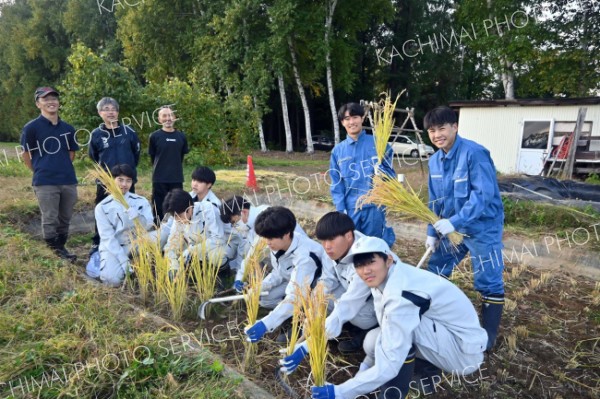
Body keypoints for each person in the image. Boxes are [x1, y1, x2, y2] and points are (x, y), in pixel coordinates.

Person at [309, 236, 488, 399]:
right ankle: (425, 368)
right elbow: (349, 306)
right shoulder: (387, 276)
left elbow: (389, 362)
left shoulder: (401, 295)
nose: (365, 271)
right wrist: (363, 371)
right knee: (373, 340)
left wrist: (341, 392)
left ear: (388, 259)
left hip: (464, 353)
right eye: (359, 265)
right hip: (445, 335)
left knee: (397, 337)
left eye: (371, 262)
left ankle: (393, 393)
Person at [423, 106, 505, 351]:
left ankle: (489, 337)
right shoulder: (435, 161)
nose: (437, 135)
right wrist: (431, 231)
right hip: (452, 229)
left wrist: (454, 222)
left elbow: (483, 195)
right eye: (431, 131)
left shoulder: (474, 153)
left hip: (483, 227)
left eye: (442, 128)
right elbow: (435, 199)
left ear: (455, 127)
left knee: (488, 279)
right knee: (436, 268)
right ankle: (440, 318)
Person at [244, 207, 328, 343]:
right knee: (265, 298)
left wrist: (266, 323)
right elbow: (279, 272)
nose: (267, 242)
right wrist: (262, 286)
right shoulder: (277, 245)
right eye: (265, 237)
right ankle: (287, 313)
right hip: (294, 283)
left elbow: (296, 295)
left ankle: (302, 321)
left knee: (302, 301)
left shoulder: (305, 256)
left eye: (270, 238)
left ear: (287, 233)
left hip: (315, 290)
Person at [20, 87, 79, 262]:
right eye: (46, 99)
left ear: (58, 103)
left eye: (54, 98)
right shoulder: (31, 128)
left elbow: (71, 153)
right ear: (38, 104)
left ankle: (61, 246)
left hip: (68, 180)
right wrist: (39, 169)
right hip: (45, 181)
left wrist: (62, 167)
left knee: (65, 216)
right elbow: (25, 154)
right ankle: (55, 251)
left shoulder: (68, 128)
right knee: (50, 217)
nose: (51, 101)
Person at [330, 102, 396, 247]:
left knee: (373, 247)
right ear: (342, 123)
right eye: (347, 119)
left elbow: (392, 177)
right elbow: (336, 183)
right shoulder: (338, 151)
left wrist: (382, 172)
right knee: (351, 247)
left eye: (355, 117)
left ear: (362, 118)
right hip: (351, 209)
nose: (351, 122)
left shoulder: (379, 144)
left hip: (374, 208)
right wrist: (342, 210)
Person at [88, 97, 141, 255]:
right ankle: (98, 241)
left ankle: (129, 240)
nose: (110, 112)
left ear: (118, 112)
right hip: (106, 182)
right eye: (106, 109)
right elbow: (93, 156)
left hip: (127, 182)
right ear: (100, 113)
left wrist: (128, 174)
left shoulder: (129, 132)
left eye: (113, 109)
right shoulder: (96, 134)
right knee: (102, 210)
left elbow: (136, 154)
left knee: (128, 210)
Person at [220, 196, 306, 291]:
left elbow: (252, 255)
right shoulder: (250, 224)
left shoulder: (265, 221)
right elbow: (249, 252)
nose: (235, 226)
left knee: (270, 297)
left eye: (235, 222)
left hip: (296, 265)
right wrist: (239, 277)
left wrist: (240, 277)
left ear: (244, 212)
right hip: (281, 266)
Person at [93, 164, 153, 287]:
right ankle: (115, 264)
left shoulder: (141, 201)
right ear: (112, 180)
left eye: (128, 181)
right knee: (112, 281)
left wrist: (138, 217)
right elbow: (108, 238)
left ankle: (141, 264)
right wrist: (123, 260)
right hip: (114, 248)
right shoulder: (102, 207)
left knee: (160, 235)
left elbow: (149, 226)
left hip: (137, 243)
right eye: (120, 180)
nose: (124, 185)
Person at [148, 106, 189, 224]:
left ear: (175, 117)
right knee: (158, 206)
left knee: (177, 205)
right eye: (164, 116)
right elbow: (153, 156)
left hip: (176, 178)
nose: (168, 118)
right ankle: (158, 230)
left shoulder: (181, 136)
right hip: (159, 178)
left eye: (170, 115)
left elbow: (180, 156)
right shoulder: (154, 136)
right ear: (159, 119)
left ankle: (177, 229)